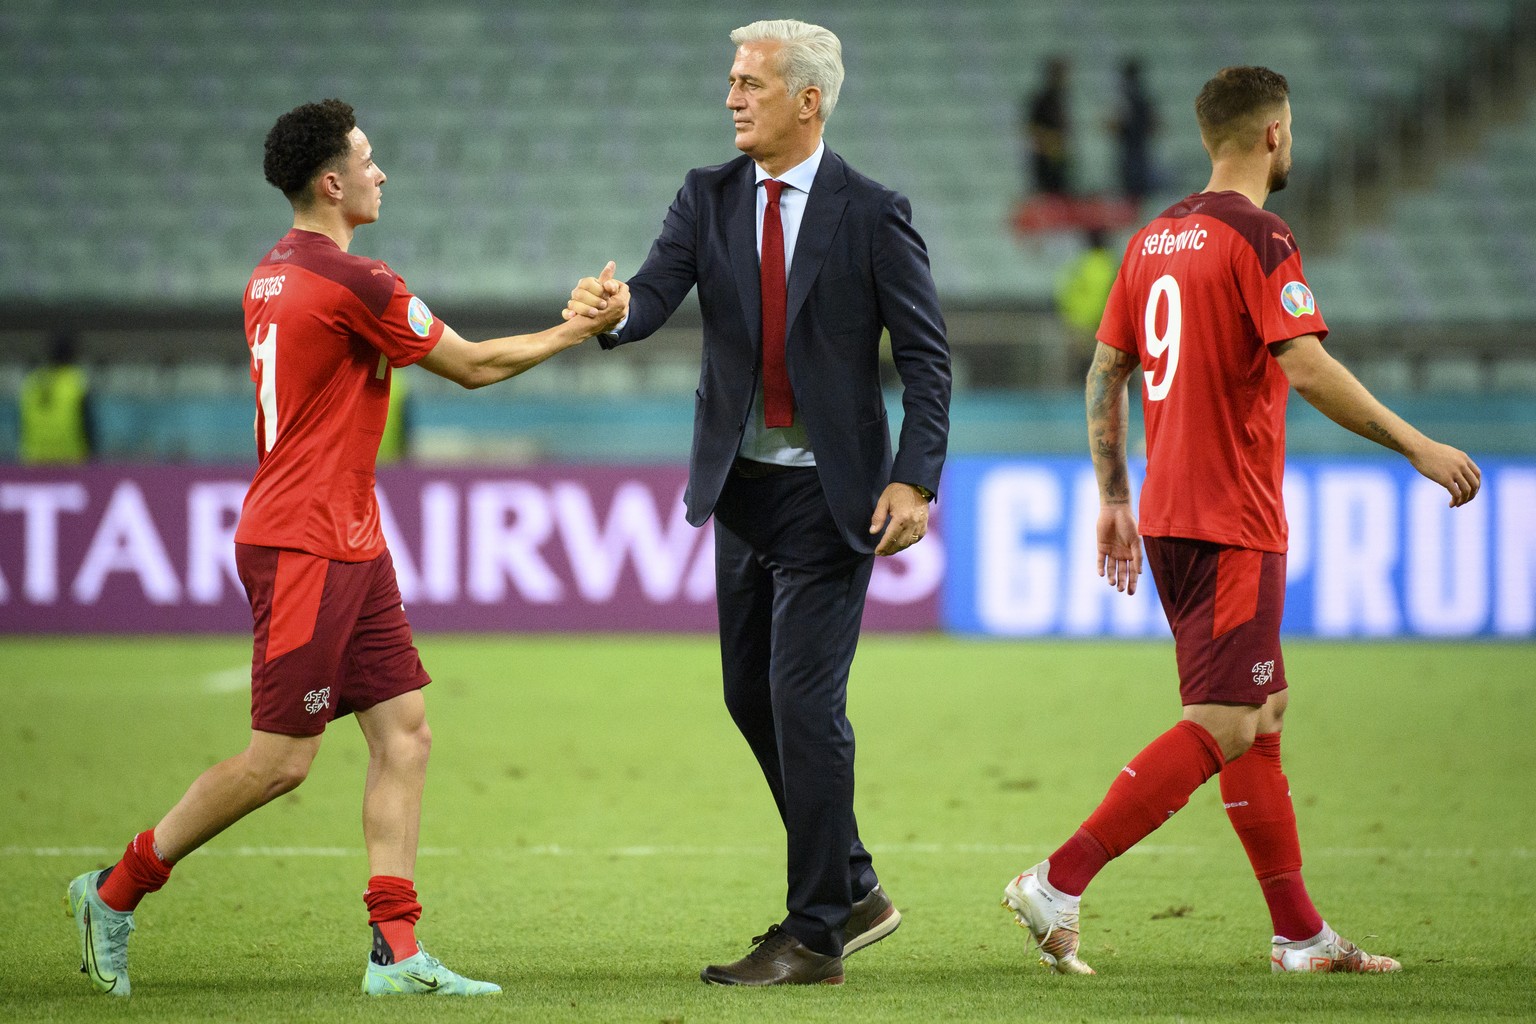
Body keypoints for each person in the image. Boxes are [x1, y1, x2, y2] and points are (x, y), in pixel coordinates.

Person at [66, 98, 627, 998]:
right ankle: (114, 889)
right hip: (306, 543)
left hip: (345, 537)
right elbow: (474, 366)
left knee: (404, 733)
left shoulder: (270, 274)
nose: (381, 172)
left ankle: (395, 955)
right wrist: (578, 330)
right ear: (331, 182)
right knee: (280, 761)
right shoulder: (356, 281)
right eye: (368, 159)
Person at [1001, 66, 1480, 976]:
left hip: (1172, 513)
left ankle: (1300, 936)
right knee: (1224, 721)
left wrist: (1112, 496)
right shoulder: (1260, 235)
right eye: (1288, 132)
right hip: (1231, 521)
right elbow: (1303, 364)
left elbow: (1105, 372)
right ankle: (1058, 881)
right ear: (1274, 135)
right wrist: (1417, 446)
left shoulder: (1149, 241)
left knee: (1260, 712)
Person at [566, 18, 950, 986]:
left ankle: (817, 930)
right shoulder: (707, 197)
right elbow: (655, 292)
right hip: (741, 497)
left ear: (808, 101)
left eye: (749, 83)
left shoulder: (871, 211)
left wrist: (915, 475)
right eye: (731, 82)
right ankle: (853, 881)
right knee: (751, 697)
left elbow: (926, 357)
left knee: (802, 701)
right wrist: (618, 315)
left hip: (833, 503)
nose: (730, 98)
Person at [18, 330, 95, 464]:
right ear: (73, 354)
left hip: (33, 463)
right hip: (69, 463)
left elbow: (21, 425)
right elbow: (88, 428)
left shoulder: (32, 382)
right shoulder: (76, 382)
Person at [1053, 228, 1117, 381]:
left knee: (1078, 366)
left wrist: (1069, 313)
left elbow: (1065, 289)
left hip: (1079, 322)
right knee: (1106, 368)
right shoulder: (1111, 264)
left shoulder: (1080, 263)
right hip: (1102, 322)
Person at [1108, 58, 1158, 205]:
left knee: (1131, 186)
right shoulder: (1142, 96)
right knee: (1138, 186)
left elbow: (1116, 123)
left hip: (1129, 146)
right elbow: (1153, 123)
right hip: (1139, 145)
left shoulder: (1125, 96)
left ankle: (1132, 211)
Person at [1023, 56, 1072, 198]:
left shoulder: (1061, 98)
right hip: (1045, 157)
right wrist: (1049, 144)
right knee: (1048, 196)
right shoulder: (1042, 99)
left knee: (1060, 195)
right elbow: (1032, 128)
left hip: (1058, 156)